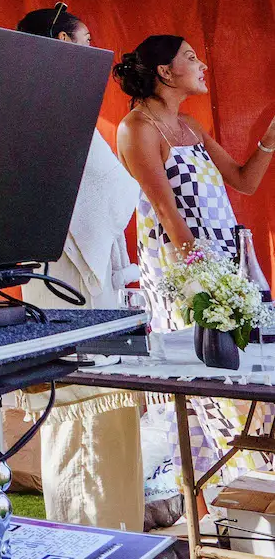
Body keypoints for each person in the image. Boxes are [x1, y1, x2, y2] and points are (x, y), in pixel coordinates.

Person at [116, 35, 275, 500]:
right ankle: (223, 500)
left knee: (244, 378)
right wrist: (210, 285)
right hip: (185, 277)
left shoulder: (189, 126)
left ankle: (246, 496)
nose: (202, 64)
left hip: (224, 270)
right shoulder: (137, 128)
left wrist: (268, 142)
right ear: (165, 72)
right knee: (207, 384)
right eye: (190, 57)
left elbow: (244, 181)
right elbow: (168, 215)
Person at [9, 5, 145, 532]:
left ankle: (117, 534)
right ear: (63, 43)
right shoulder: (43, 107)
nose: (95, 50)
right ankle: (88, 538)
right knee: (80, 417)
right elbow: (102, 189)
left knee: (105, 413)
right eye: (87, 40)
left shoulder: (51, 105)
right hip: (67, 274)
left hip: (82, 273)